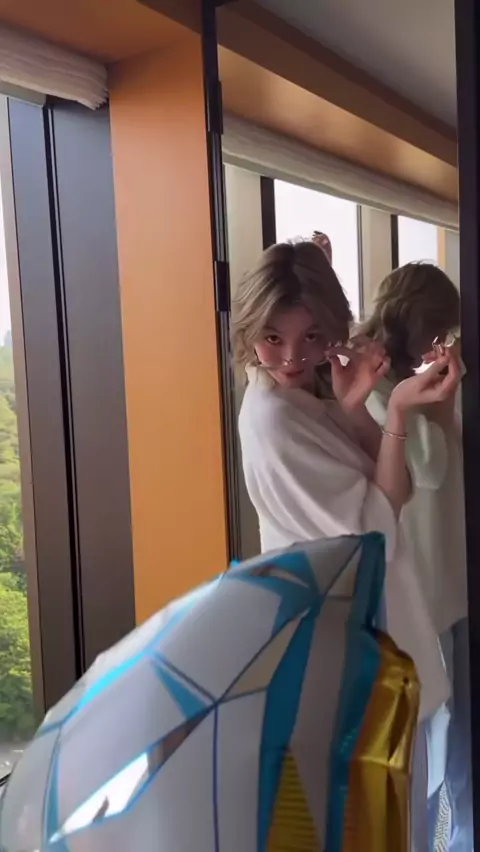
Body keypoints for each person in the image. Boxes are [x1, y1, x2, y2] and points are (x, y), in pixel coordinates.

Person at [232, 239, 462, 843]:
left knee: (397, 812)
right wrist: (398, 412)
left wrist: (360, 407)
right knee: (383, 820)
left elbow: (394, 487)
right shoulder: (275, 421)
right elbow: (377, 528)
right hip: (343, 641)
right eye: (273, 337)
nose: (292, 356)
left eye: (311, 336)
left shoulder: (306, 397)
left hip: (361, 629)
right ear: (250, 328)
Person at [360, 262, 471, 852]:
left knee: (450, 740)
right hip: (419, 591)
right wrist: (436, 401)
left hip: (444, 581)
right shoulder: (381, 390)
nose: (442, 344)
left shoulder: (410, 385)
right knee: (426, 743)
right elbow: (429, 467)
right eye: (439, 332)